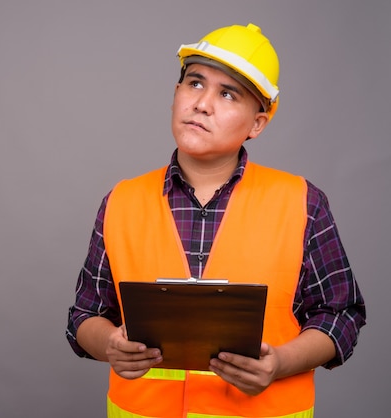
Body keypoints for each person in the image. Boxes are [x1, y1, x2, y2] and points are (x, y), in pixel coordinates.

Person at [65, 23, 366, 418]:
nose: (202, 103)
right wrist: (110, 345)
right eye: (194, 83)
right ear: (175, 95)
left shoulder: (303, 203)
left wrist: (280, 362)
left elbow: (341, 314)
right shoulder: (121, 201)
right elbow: (84, 316)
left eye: (227, 94)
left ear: (257, 123)